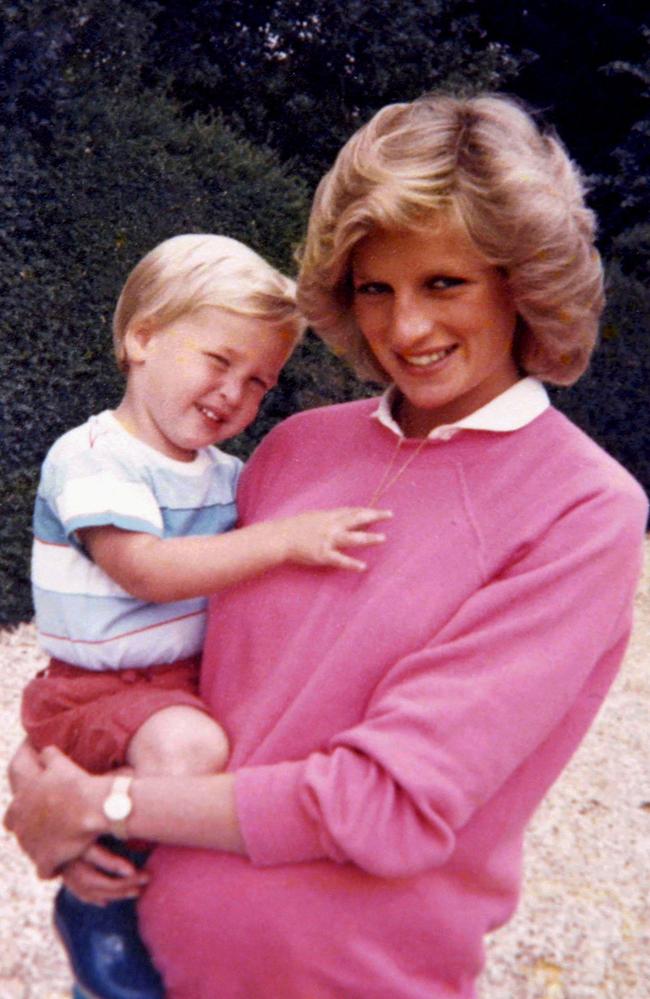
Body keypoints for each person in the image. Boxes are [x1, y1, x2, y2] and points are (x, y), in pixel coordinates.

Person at [6, 94, 648, 999]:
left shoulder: (581, 509)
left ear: (523, 281)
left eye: (445, 283)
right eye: (375, 288)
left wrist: (106, 802)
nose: (406, 329)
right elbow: (154, 655)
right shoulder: (296, 448)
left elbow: (385, 803)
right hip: (133, 965)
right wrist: (56, 787)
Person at [17, 232, 390, 997]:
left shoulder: (229, 475)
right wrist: (284, 540)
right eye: (219, 361)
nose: (234, 394)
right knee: (188, 748)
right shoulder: (93, 458)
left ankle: (164, 884)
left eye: (259, 381)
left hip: (181, 679)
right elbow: (147, 571)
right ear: (142, 337)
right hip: (99, 688)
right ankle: (99, 903)